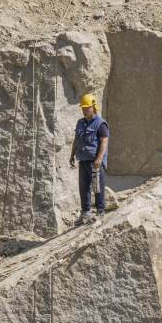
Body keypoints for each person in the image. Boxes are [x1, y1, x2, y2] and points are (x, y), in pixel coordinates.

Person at [69, 93, 109, 224]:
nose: (84, 110)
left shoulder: (100, 124)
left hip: (95, 161)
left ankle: (100, 212)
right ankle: (85, 213)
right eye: (83, 108)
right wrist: (72, 155)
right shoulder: (80, 123)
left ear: (94, 107)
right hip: (83, 159)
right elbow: (76, 140)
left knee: (97, 187)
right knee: (84, 187)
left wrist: (99, 159)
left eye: (87, 108)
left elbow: (104, 141)